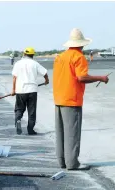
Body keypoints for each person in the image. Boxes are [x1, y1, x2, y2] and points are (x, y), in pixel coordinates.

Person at [53, 28, 109, 170]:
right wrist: (100, 78)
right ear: (82, 44)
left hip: (59, 98)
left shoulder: (60, 57)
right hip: (71, 100)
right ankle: (72, 163)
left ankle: (62, 162)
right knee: (72, 133)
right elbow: (81, 77)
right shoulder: (78, 57)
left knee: (61, 133)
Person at [11, 47, 49, 135]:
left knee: (19, 108)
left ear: (24, 54)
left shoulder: (18, 63)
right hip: (32, 90)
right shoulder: (35, 63)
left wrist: (13, 90)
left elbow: (14, 77)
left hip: (20, 90)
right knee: (31, 111)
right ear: (33, 55)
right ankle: (30, 130)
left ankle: (18, 119)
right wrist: (47, 80)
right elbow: (45, 73)